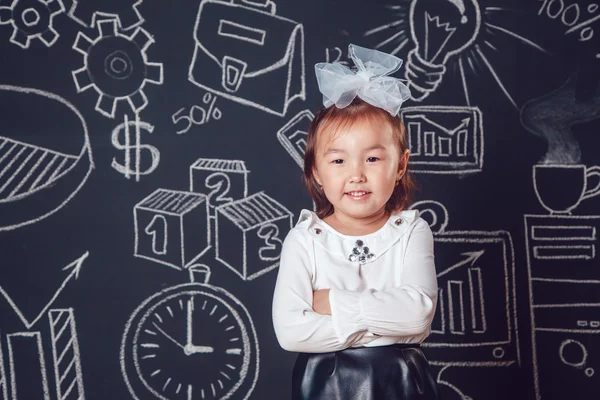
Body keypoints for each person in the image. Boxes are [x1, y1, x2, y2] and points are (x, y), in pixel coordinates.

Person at [272, 44, 440, 400]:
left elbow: (417, 317)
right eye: (338, 161)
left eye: (373, 158)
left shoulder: (412, 231)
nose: (357, 175)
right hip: (324, 383)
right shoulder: (304, 240)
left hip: (401, 383)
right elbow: (291, 332)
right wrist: (384, 329)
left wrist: (330, 300)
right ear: (316, 171)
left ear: (400, 166)